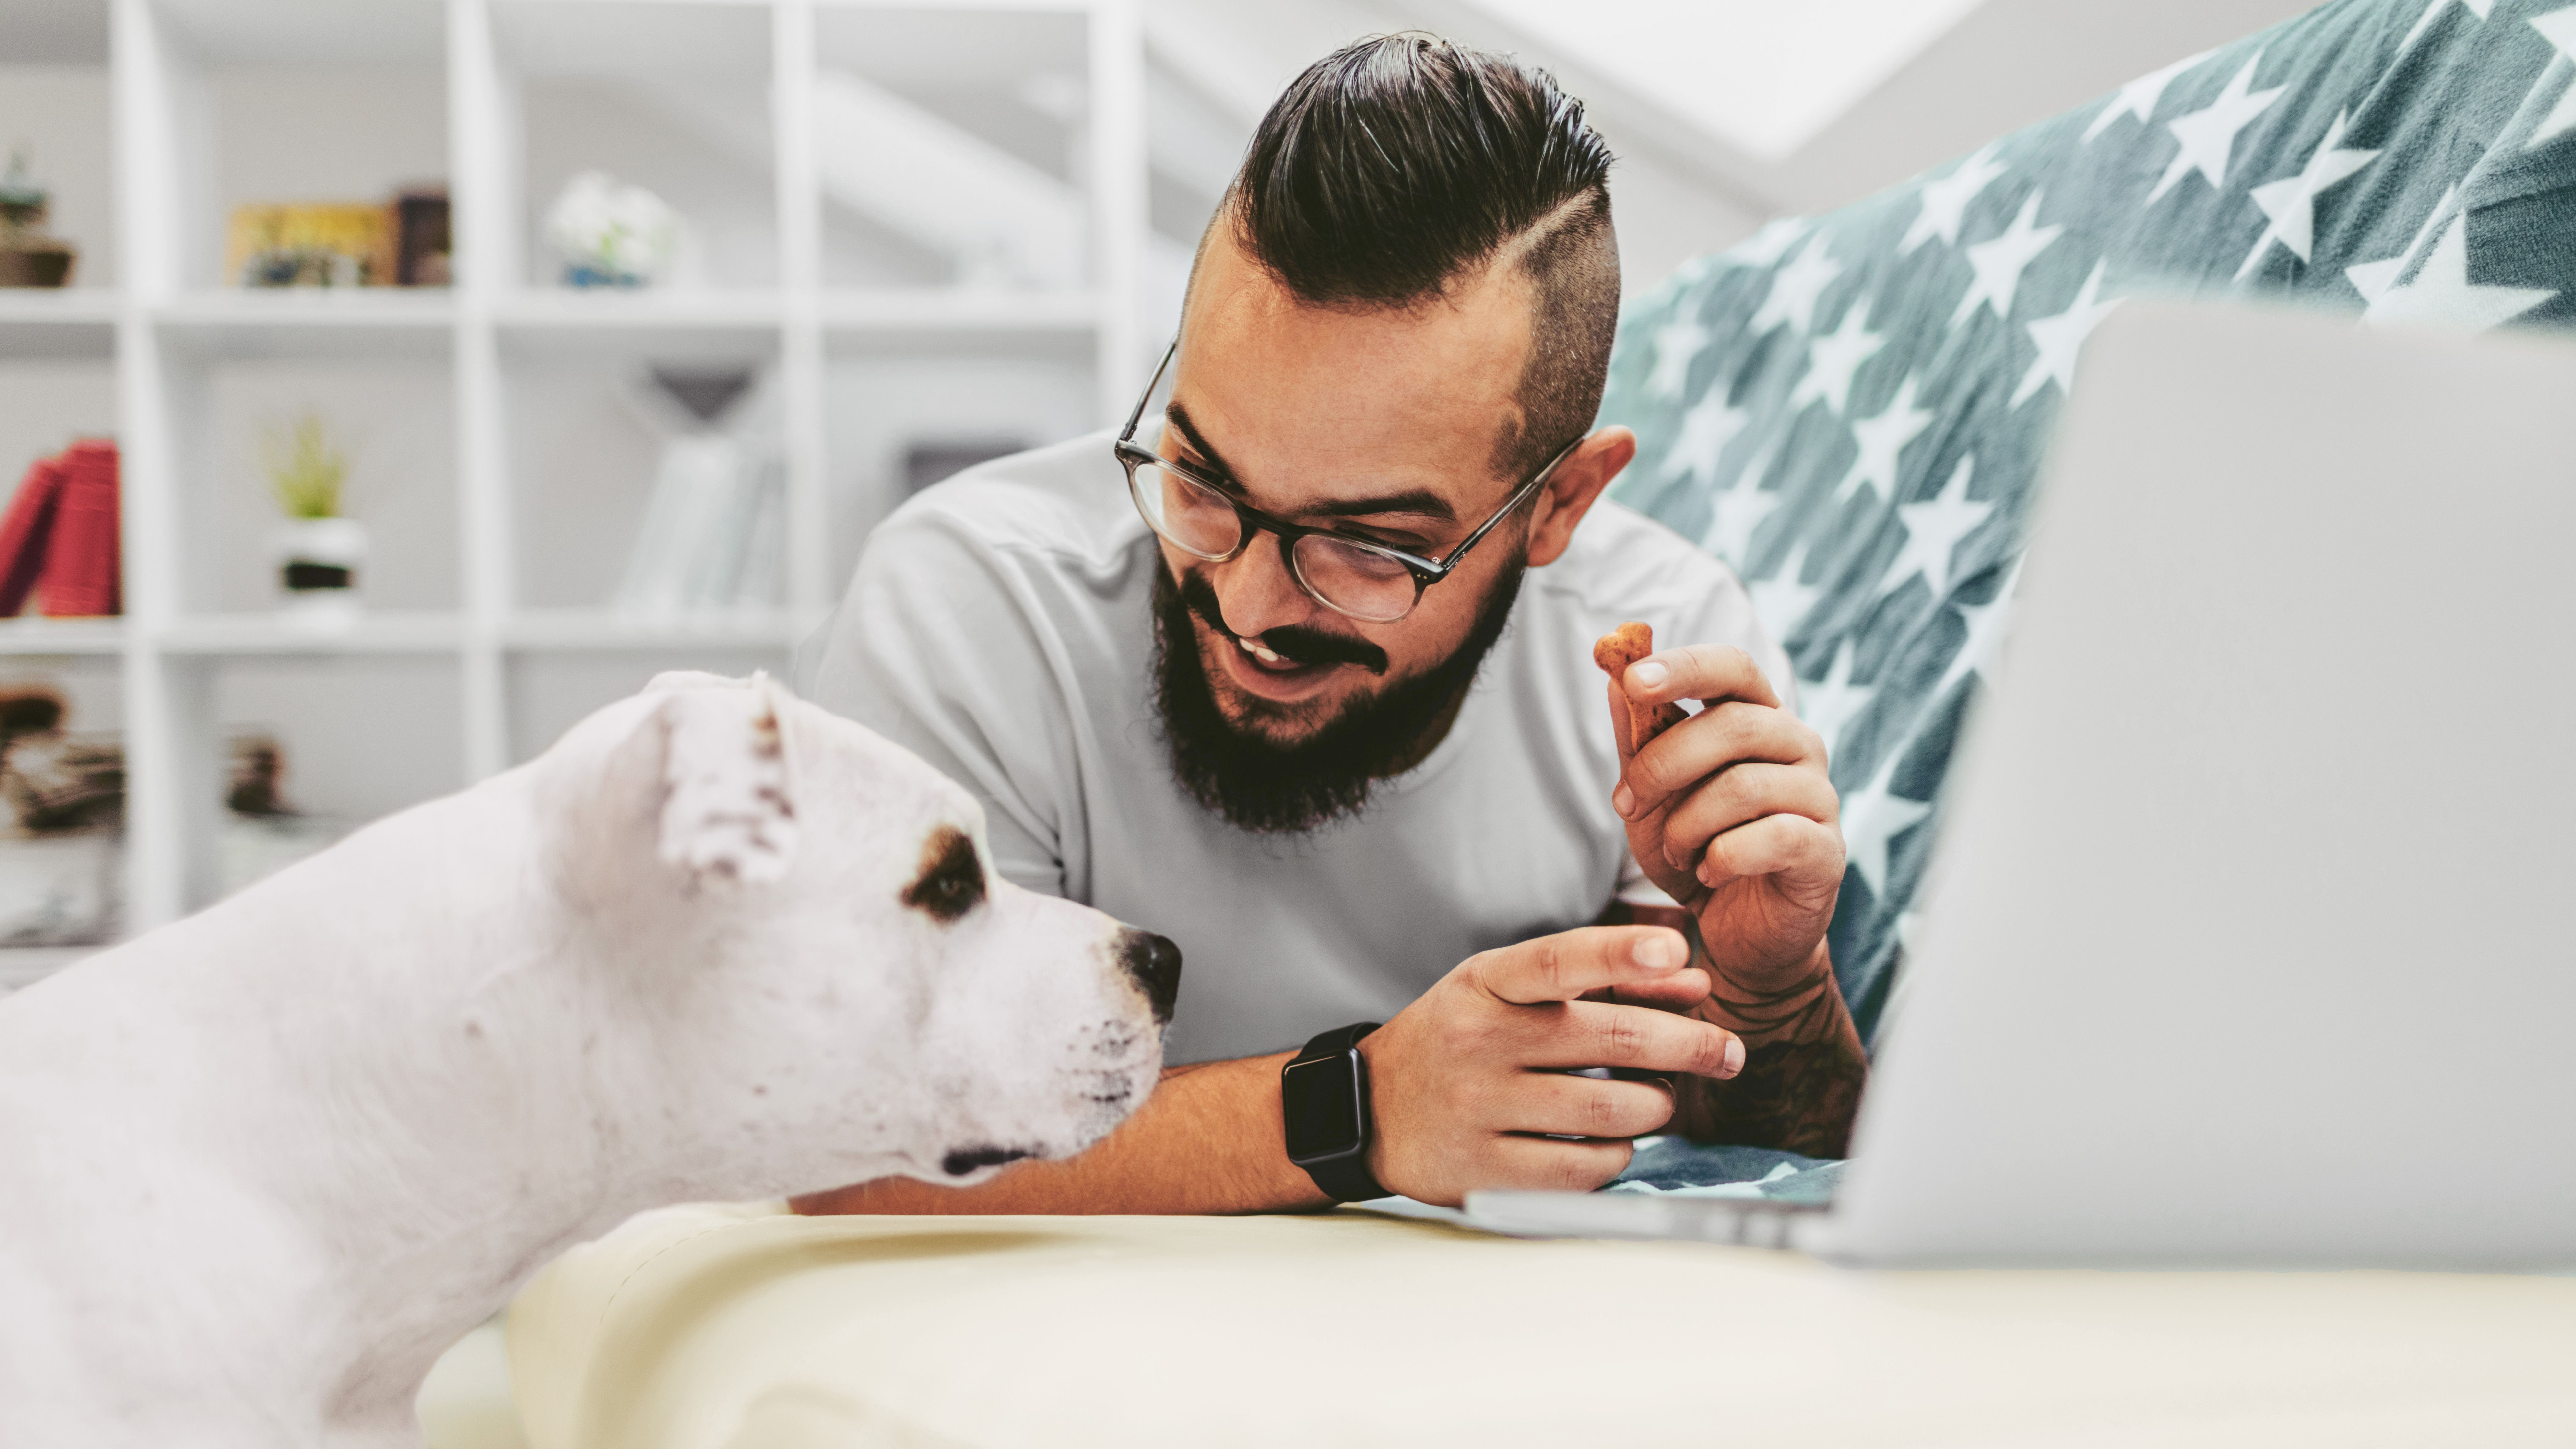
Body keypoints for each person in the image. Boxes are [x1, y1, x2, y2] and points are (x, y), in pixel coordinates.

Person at [794, 33, 1865, 1214]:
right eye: (1202, 479)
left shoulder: (1658, 649)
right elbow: (849, 1148)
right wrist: (1357, 1108)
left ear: (1556, 503)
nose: (1249, 606)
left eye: (1368, 545)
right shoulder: (973, 603)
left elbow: (1756, 1131)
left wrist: (1771, 992)